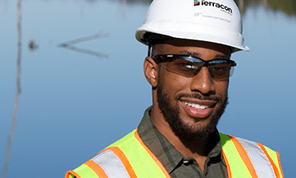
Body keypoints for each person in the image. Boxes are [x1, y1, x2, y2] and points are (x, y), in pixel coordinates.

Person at [66, 0, 284, 177]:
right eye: (187, 65)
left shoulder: (262, 165)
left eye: (219, 67)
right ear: (152, 71)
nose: (205, 86)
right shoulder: (104, 174)